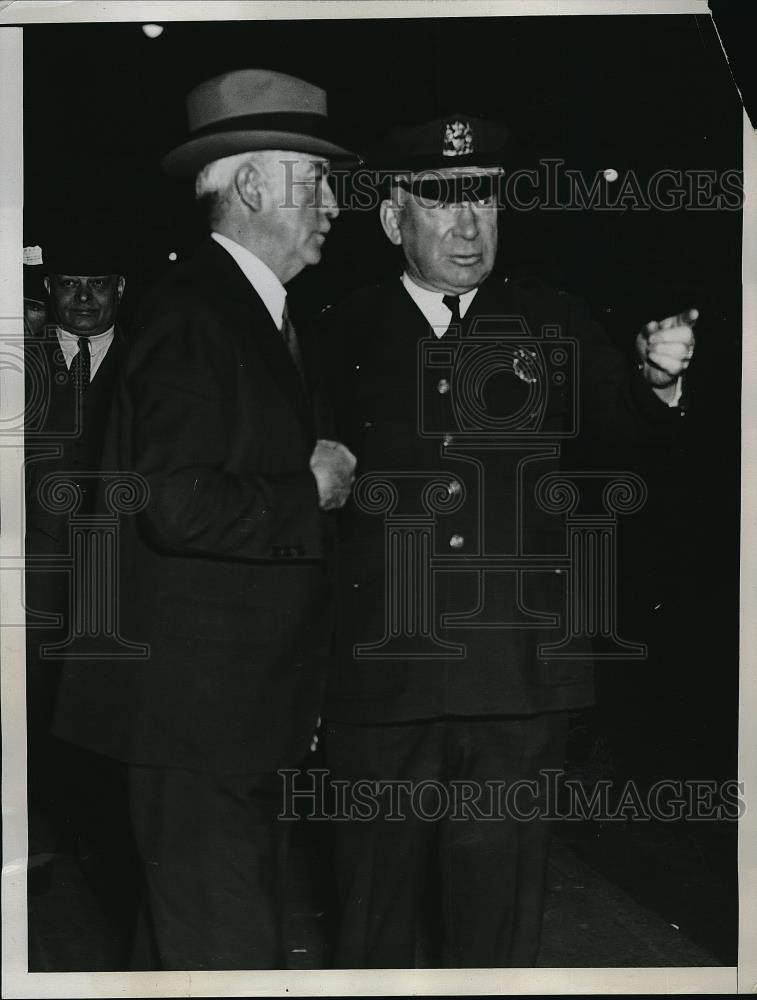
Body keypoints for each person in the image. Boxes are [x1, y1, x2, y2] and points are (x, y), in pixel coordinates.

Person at [317, 115, 696, 968]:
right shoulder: (336, 333)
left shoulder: (552, 322)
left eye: (483, 203)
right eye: (444, 204)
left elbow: (633, 433)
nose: (467, 227)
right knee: (372, 925)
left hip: (517, 679)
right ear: (392, 219)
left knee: (497, 932)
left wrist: (659, 380)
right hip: (382, 680)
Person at [52, 68, 357, 971]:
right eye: (317, 183)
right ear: (254, 186)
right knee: (227, 953)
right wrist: (309, 487)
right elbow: (174, 501)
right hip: (197, 723)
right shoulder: (196, 316)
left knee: (187, 948)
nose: (335, 204)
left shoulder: (246, 312)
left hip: (224, 717)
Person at [24, 226, 128, 892]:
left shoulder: (152, 359)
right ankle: (43, 843)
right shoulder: (18, 362)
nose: (83, 297)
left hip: (125, 581)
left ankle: (108, 848)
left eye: (97, 284)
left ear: (122, 288)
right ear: (47, 289)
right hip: (38, 583)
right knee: (37, 716)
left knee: (111, 718)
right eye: (69, 284)